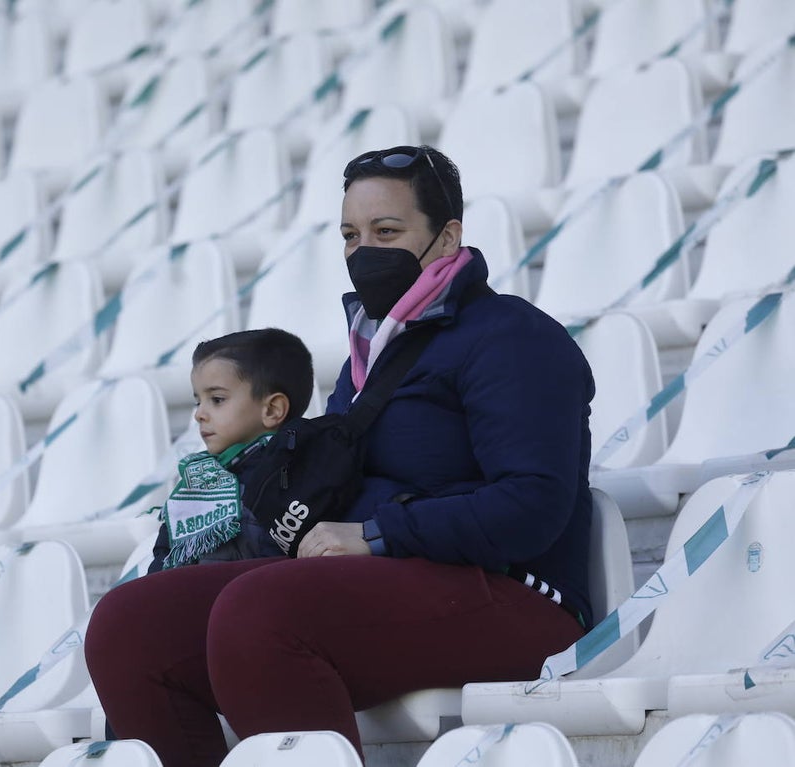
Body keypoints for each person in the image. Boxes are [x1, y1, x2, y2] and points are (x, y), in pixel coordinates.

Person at [85, 145, 595, 767]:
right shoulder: (367, 354)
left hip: (513, 596)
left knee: (261, 611)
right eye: (351, 236)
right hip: (381, 586)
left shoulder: (512, 337)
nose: (365, 254)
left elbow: (533, 506)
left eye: (387, 232)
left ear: (447, 236)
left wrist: (377, 536)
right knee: (131, 626)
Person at [150, 328, 314, 571]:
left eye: (217, 400)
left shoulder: (294, 475)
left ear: (271, 410)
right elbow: (162, 565)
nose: (199, 414)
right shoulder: (197, 480)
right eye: (198, 401)